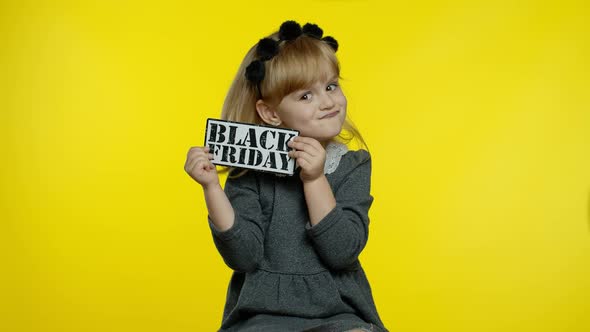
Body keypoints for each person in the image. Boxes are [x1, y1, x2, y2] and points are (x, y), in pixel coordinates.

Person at [184, 20, 388, 332]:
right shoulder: (251, 170)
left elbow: (343, 251)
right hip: (263, 316)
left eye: (331, 86)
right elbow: (244, 256)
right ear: (271, 114)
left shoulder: (352, 164)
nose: (328, 102)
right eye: (306, 96)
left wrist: (315, 178)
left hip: (338, 311)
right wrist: (211, 187)